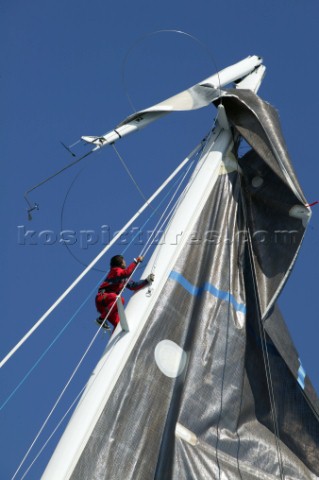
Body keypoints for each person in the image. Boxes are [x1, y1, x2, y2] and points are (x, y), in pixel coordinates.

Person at [95, 254, 154, 331]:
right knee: (120, 300)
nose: (125, 263)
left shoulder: (123, 279)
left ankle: (105, 323)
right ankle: (101, 319)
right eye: (124, 261)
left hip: (107, 307)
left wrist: (147, 281)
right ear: (121, 263)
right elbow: (126, 273)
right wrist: (136, 261)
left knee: (119, 326)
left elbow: (133, 286)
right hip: (103, 297)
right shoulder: (115, 271)